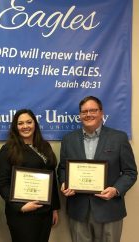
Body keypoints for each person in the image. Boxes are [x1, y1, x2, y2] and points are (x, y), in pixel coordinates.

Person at [57, 96, 137, 242]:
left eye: (93, 110)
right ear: (80, 116)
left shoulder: (118, 138)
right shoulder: (69, 139)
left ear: (101, 113)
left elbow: (130, 172)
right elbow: (62, 168)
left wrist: (116, 190)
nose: (88, 114)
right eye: (84, 111)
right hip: (79, 210)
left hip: (110, 210)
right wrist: (64, 183)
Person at [0, 109, 60, 242]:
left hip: (45, 212)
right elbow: (2, 183)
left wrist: (54, 208)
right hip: (22, 213)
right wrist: (20, 206)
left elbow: (51, 179)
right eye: (20, 123)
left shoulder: (45, 146)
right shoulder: (8, 149)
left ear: (35, 124)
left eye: (29, 122)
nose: (25, 126)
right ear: (15, 127)